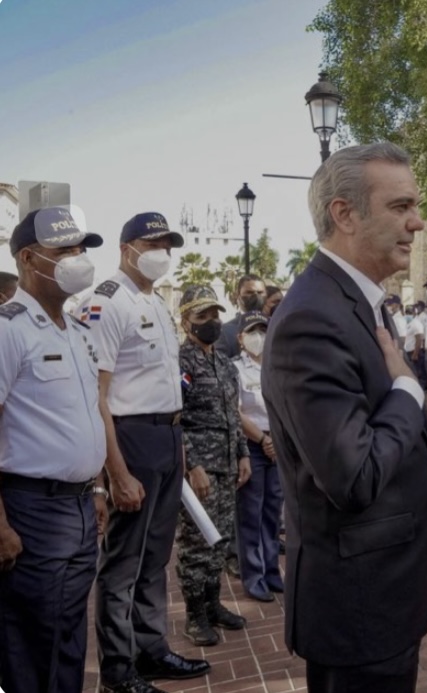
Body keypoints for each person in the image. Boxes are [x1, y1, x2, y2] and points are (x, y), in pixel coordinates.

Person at [261, 143, 427, 693]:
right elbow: (352, 477)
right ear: (344, 214)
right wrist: (407, 389)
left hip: (385, 593)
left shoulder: (356, 302)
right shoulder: (313, 317)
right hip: (360, 604)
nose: (417, 223)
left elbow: (361, 432)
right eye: (400, 207)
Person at [84, 212, 211, 693]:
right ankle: (119, 671)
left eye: (168, 244)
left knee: (156, 555)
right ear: (126, 248)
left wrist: (178, 450)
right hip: (131, 438)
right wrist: (114, 472)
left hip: (166, 436)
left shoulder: (156, 301)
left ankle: (151, 650)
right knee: (122, 562)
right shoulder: (107, 302)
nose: (163, 252)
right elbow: (98, 395)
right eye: (153, 242)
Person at [0, 208, 106, 693]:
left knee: (67, 636)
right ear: (27, 258)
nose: (77, 259)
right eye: (64, 251)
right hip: (31, 510)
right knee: (31, 642)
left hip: (80, 507)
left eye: (80, 250)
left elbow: (84, 419)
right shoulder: (8, 330)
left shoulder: (77, 331)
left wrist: (99, 486)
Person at [175, 286, 251, 646]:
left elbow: (232, 415)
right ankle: (194, 616)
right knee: (196, 543)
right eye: (203, 316)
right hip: (200, 469)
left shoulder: (223, 362)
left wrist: (243, 454)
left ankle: (212, 604)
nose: (212, 322)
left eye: (215, 315)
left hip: (227, 464)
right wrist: (192, 466)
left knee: (219, 541)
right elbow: (177, 418)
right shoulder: (181, 362)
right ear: (186, 320)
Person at [232, 311, 284, 602]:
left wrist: (276, 439)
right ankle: (254, 577)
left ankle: (272, 571)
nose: (259, 337)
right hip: (251, 446)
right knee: (251, 513)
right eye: (253, 331)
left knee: (272, 512)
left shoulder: (276, 365)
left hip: (277, 445)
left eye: (263, 330)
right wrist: (263, 440)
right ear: (240, 337)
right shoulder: (235, 369)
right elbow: (236, 412)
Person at [218, 274, 267, 358]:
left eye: (260, 292)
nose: (256, 296)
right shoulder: (225, 332)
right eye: (249, 292)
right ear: (238, 295)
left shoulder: (275, 327)